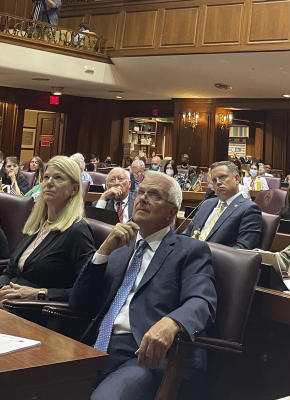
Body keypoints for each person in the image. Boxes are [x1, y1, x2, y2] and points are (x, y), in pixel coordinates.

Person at [69, 170, 216, 400]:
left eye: (154, 195)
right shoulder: (120, 246)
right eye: (141, 192)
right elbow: (78, 303)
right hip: (94, 347)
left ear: (171, 212)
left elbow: (202, 301)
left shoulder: (189, 251)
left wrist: (171, 323)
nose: (142, 198)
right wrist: (102, 252)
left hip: (143, 356)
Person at [0, 156, 95, 306]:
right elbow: (9, 271)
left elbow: (86, 292)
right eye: (46, 177)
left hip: (36, 315)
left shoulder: (77, 231)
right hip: (5, 308)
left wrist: (40, 294)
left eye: (58, 178)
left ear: (74, 189)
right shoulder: (36, 225)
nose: (49, 183)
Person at [184, 160, 262, 249]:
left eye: (222, 177)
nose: (218, 182)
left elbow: (242, 250)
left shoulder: (249, 209)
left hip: (213, 261)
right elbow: (186, 235)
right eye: (214, 180)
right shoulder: (206, 204)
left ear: (236, 179)